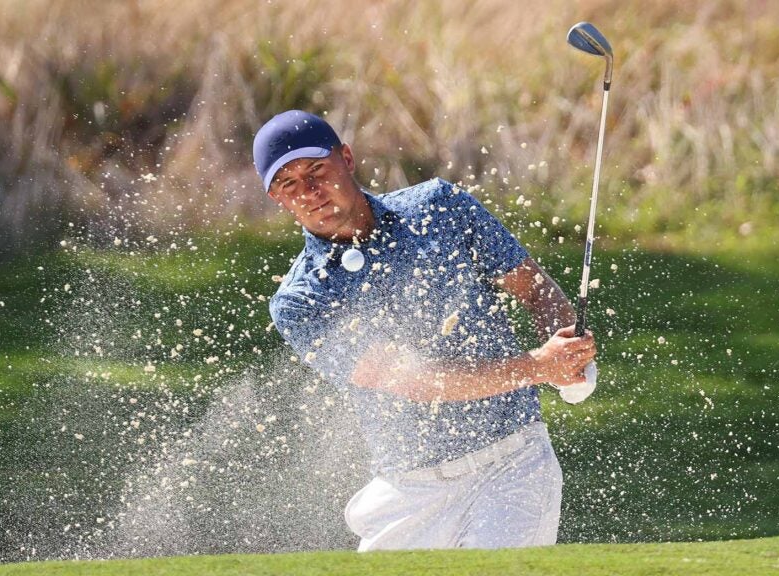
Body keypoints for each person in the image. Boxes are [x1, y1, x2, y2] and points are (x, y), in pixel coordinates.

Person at [254, 110, 597, 551]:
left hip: (512, 465)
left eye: (316, 170)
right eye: (289, 184)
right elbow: (412, 382)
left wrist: (567, 349)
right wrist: (538, 367)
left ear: (347, 158)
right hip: (408, 493)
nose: (310, 192)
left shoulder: (440, 207)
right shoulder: (301, 301)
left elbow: (534, 289)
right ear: (276, 198)